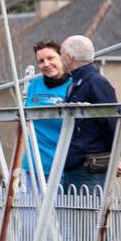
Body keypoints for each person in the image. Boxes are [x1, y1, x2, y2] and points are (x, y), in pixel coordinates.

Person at [59, 35, 118, 192]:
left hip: (90, 167)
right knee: (75, 216)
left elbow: (110, 123)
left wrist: (114, 157)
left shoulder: (95, 82)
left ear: (69, 57)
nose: (60, 59)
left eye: (61, 54)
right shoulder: (77, 83)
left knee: (88, 216)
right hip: (76, 165)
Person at [20, 39, 71, 189]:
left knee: (63, 212)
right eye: (41, 61)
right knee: (29, 212)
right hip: (33, 165)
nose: (46, 64)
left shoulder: (75, 85)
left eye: (50, 58)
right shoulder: (34, 84)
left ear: (61, 57)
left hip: (64, 166)